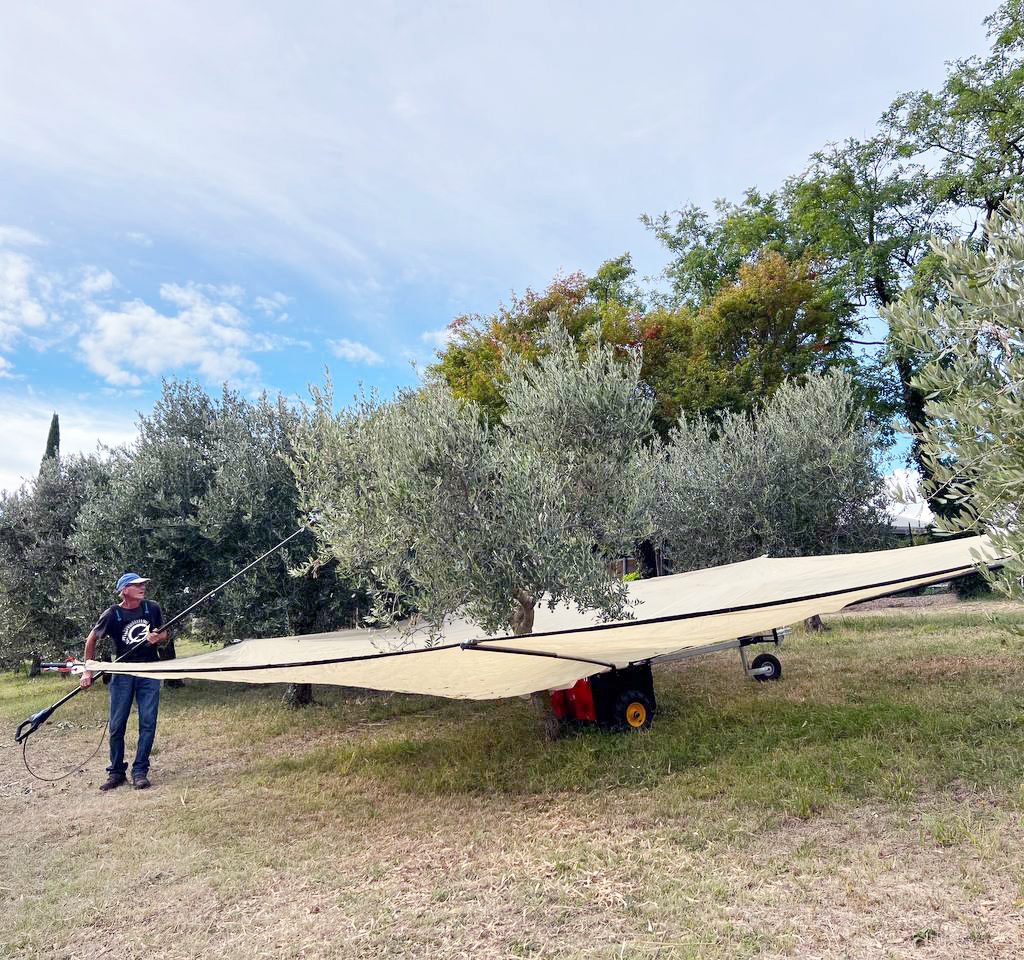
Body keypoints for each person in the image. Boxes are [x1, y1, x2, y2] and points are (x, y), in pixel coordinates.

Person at [80, 573, 168, 791]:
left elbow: (164, 632)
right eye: (137, 585)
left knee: (148, 722)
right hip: (122, 674)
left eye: (143, 584)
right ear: (124, 590)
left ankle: (140, 771)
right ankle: (116, 772)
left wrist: (158, 637)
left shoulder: (152, 608)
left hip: (149, 671)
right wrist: (87, 670)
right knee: (117, 725)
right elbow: (91, 639)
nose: (142, 587)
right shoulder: (113, 614)